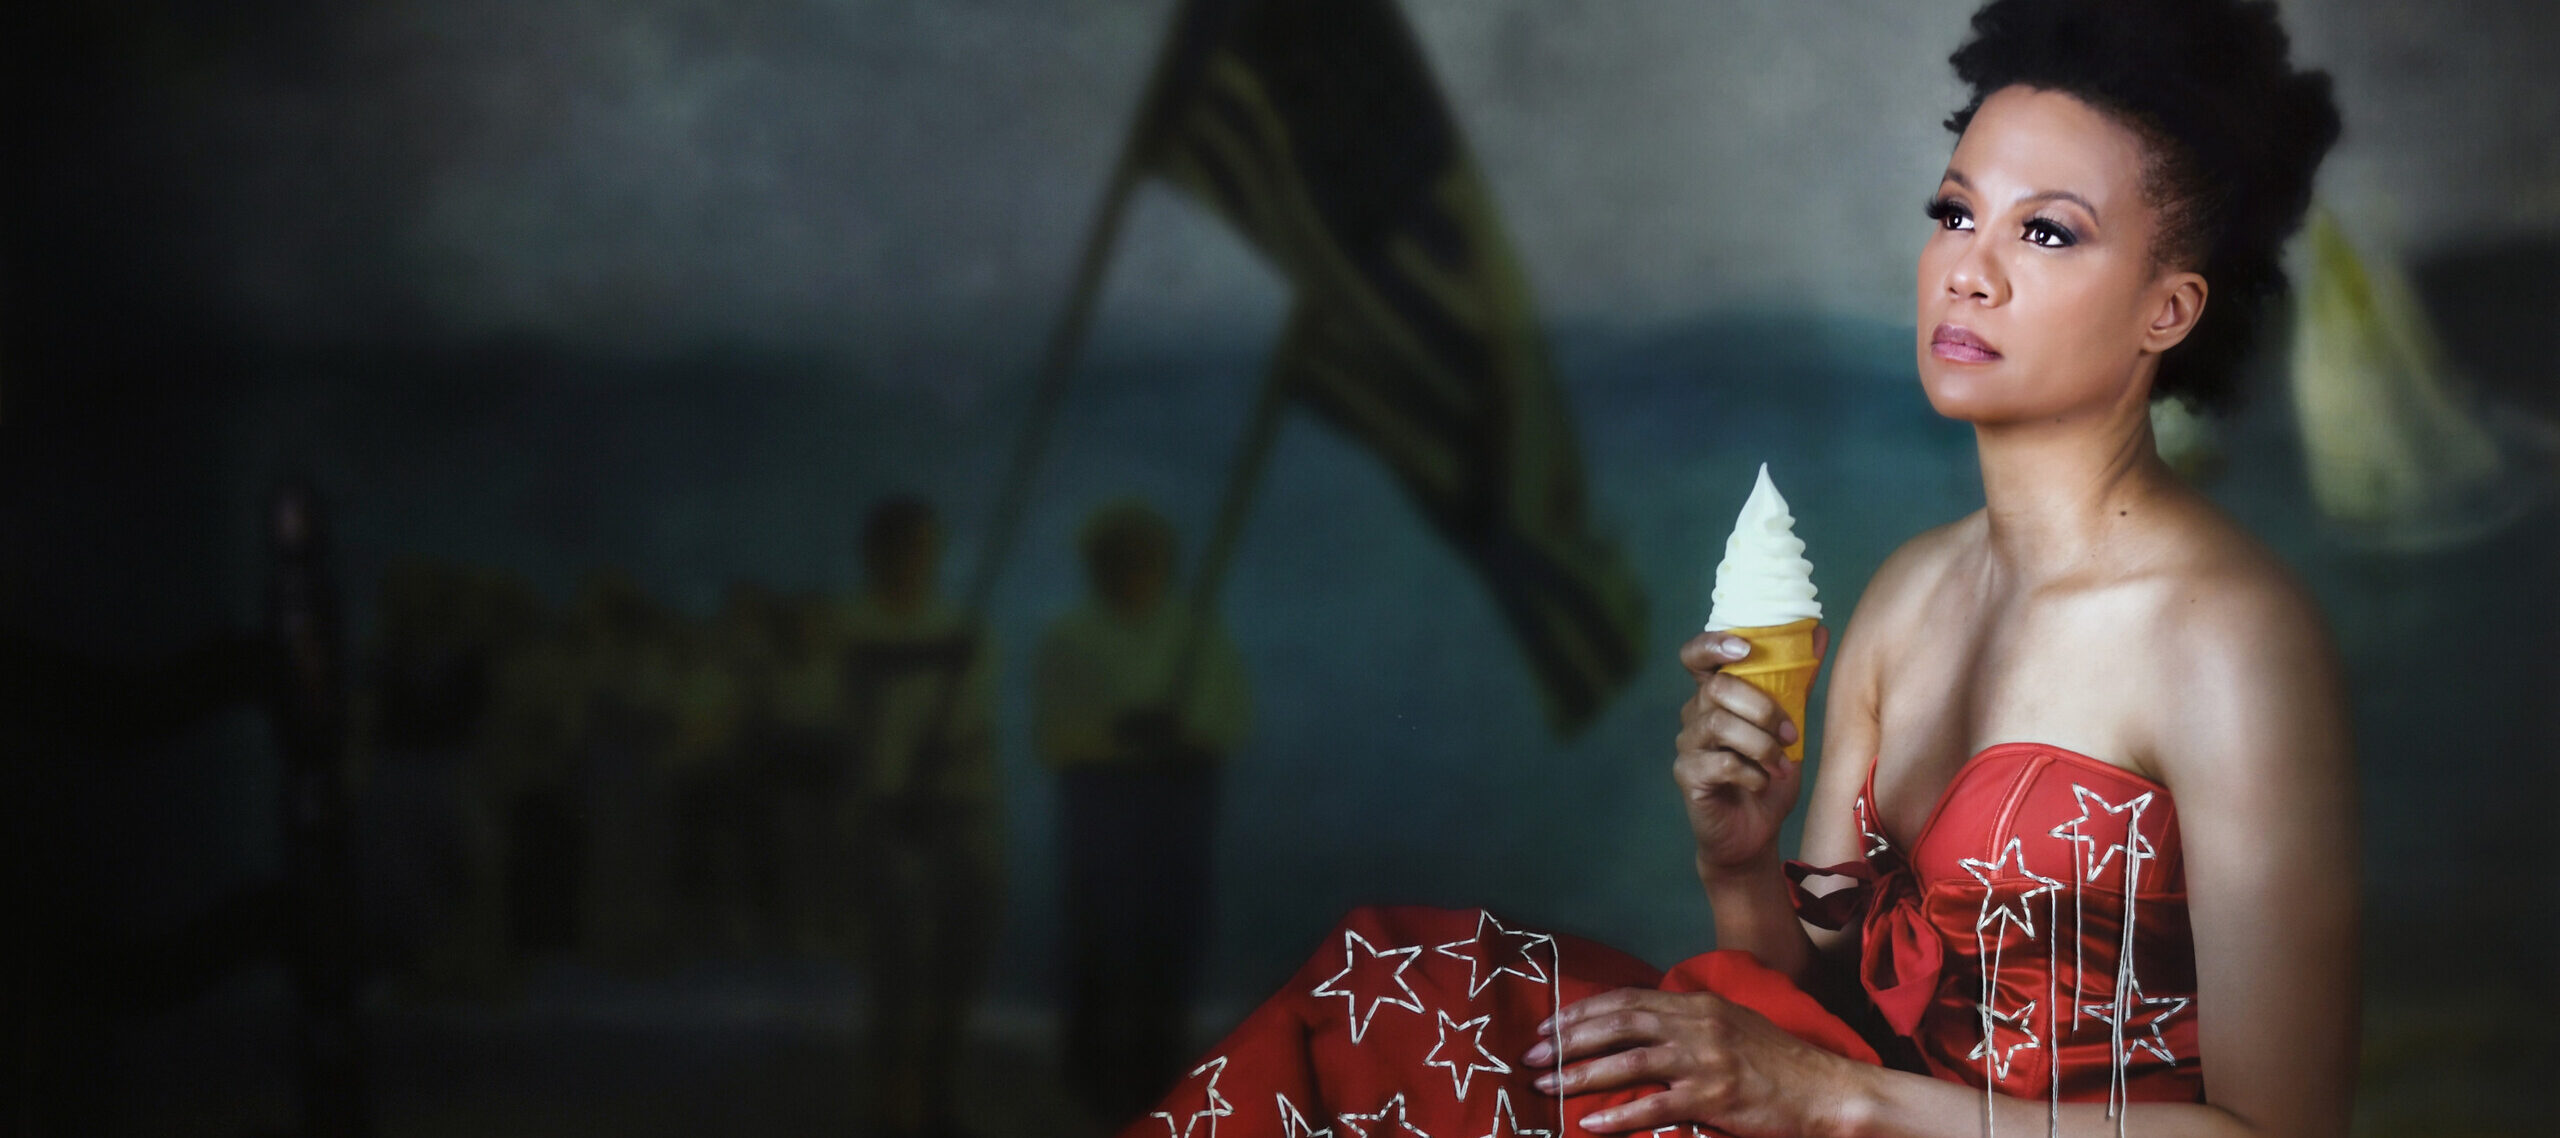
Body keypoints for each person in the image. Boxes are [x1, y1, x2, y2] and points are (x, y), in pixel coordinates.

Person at [1117, 1, 2355, 1136]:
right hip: (1844, 1116)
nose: (1967, 268)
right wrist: (1738, 859)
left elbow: (2277, 1132)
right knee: (1383, 992)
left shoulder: (2227, 639)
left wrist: (1846, 1101)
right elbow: (1807, 1010)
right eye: (1952, 210)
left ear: (2168, 311)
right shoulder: (1907, 596)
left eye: (2045, 231)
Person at [1036, 499, 1252, 1121]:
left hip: (1176, 813)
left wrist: (1182, 734)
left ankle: (1158, 1081)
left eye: (1144, 559)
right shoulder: (1069, 638)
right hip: (1101, 812)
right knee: (1099, 946)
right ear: (1096, 566)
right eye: (1119, 559)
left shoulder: (1197, 635)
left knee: (1169, 947)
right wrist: (1120, 737)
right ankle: (1093, 1081)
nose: (1132, 571)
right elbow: (1055, 737)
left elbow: (1230, 721)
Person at [831, 496, 1001, 1138]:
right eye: (901, 549)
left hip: (959, 809)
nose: (912, 563)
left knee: (961, 956)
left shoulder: (964, 627)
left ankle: (939, 1093)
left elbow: (974, 720)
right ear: (875, 556)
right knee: (897, 968)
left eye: (922, 549)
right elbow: (843, 716)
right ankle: (892, 1104)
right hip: (884, 815)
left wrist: (944, 756)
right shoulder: (849, 629)